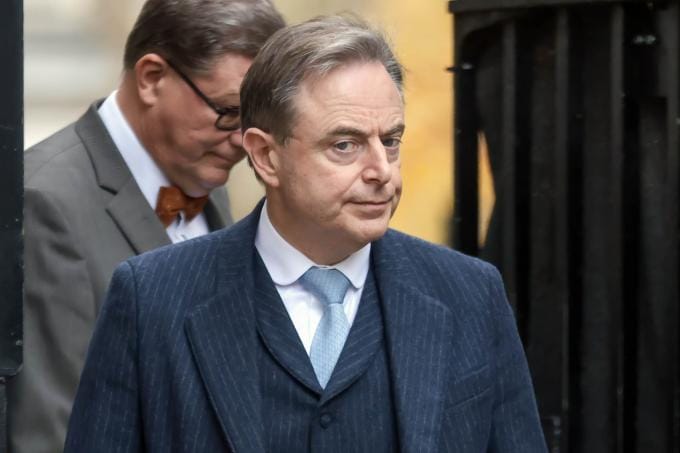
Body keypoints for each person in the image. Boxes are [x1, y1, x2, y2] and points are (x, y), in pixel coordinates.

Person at [65, 15, 547, 452]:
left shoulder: (470, 293)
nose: (381, 170)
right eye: (345, 144)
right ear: (265, 156)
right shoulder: (151, 298)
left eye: (390, 141)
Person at [8, 1, 285, 452]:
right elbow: (53, 433)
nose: (242, 142)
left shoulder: (205, 177)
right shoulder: (45, 203)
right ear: (152, 78)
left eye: (256, 121)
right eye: (229, 112)